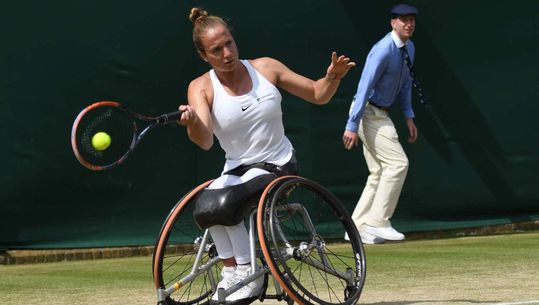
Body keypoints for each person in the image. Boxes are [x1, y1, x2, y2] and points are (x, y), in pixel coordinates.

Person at [177, 7, 355, 304]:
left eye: (229, 43)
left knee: (223, 201)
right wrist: (193, 122)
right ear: (204, 55)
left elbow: (317, 93)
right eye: (216, 49)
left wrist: (332, 78)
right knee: (206, 206)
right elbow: (205, 140)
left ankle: (250, 273)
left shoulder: (266, 68)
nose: (226, 53)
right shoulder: (201, 87)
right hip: (235, 170)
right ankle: (234, 272)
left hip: (278, 165)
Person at [342, 4, 420, 245]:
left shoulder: (409, 48)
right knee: (398, 164)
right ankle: (378, 222)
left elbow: (406, 84)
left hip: (380, 113)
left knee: (378, 172)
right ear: (393, 23)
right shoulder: (383, 49)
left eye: (412, 20)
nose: (409, 24)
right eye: (403, 20)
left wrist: (408, 115)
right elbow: (364, 85)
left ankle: (355, 229)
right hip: (366, 113)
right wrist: (352, 124)